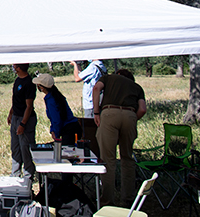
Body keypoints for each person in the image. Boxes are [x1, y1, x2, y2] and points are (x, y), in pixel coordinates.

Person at [93, 69, 147, 207]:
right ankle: (128, 198)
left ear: (118, 74)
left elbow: (96, 88)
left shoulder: (108, 78)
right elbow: (142, 109)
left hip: (109, 113)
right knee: (127, 158)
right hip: (130, 115)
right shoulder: (137, 87)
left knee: (108, 159)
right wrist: (133, 119)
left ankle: (107, 201)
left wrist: (96, 112)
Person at [32, 73, 82, 145]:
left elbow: (56, 119)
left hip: (69, 131)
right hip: (74, 127)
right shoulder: (57, 95)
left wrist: (56, 134)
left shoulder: (50, 100)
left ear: (41, 87)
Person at [7, 63, 37, 178]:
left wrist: (23, 124)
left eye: (15, 66)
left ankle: (29, 175)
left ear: (19, 68)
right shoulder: (17, 80)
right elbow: (15, 100)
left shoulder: (29, 83)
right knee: (15, 146)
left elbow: (29, 106)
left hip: (26, 119)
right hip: (16, 117)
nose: (13, 67)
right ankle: (15, 174)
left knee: (25, 147)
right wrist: (11, 113)